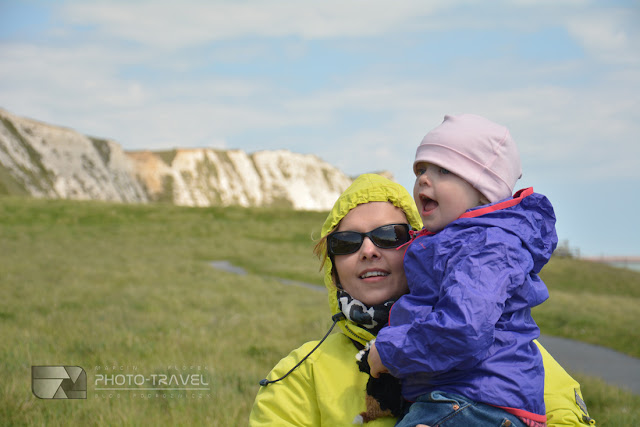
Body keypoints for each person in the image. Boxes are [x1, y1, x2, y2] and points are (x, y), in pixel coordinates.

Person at [249, 173, 596, 426]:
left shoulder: (503, 345)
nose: (368, 251)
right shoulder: (299, 375)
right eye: (346, 242)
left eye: (389, 236)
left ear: (422, 247)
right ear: (333, 268)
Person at [366, 114, 555, 426]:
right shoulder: (458, 242)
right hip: (461, 399)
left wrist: (389, 352)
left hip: (477, 402)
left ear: (484, 192)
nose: (424, 179)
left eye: (443, 170)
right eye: (421, 170)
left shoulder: (487, 246)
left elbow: (464, 330)